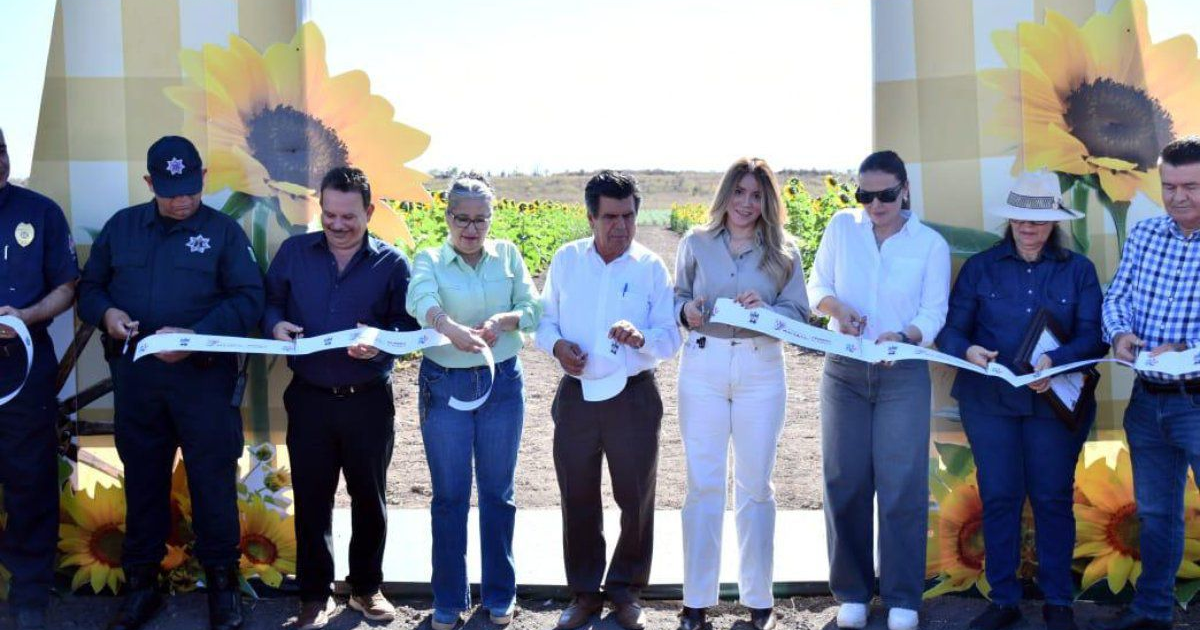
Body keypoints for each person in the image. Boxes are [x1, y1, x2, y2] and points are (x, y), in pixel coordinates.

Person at [78, 136, 264, 630]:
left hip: (203, 382)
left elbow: (249, 300)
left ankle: (223, 589)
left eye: (189, 189)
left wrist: (197, 337)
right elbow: (90, 289)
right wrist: (108, 313)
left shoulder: (224, 234)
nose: (181, 200)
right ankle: (143, 588)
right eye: (169, 191)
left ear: (203, 178)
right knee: (142, 481)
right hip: (139, 382)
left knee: (212, 483)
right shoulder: (122, 228)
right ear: (148, 184)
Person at [936, 170, 1106, 630]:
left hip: (1053, 403)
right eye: (1019, 219)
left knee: (1052, 498)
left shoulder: (1078, 270)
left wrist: (1058, 361)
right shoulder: (981, 268)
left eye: (1037, 220)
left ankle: (1058, 602)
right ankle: (1004, 599)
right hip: (988, 400)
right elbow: (952, 331)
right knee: (1000, 497)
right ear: (1009, 220)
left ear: (1054, 222)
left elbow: (1095, 336)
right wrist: (968, 350)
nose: (1027, 228)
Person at [263, 166, 416, 629]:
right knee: (312, 498)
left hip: (368, 399)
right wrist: (275, 324)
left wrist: (381, 340)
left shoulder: (392, 264)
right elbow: (268, 301)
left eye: (348, 216)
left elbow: (407, 328)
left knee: (369, 497)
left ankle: (366, 589)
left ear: (369, 212)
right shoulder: (294, 253)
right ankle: (315, 595)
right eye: (329, 214)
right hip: (309, 398)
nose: (337, 224)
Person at [806, 150, 950, 630]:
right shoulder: (841, 229)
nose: (874, 204)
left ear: (904, 189)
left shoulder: (929, 244)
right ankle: (851, 591)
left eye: (885, 195)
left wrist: (905, 335)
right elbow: (816, 285)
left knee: (901, 483)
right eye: (864, 194)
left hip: (903, 371)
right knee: (844, 479)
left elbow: (934, 313)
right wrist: (838, 309)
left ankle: (903, 595)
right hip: (843, 369)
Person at [536, 170, 682, 630]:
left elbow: (670, 335)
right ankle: (583, 594)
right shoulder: (566, 261)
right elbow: (545, 324)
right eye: (610, 217)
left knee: (635, 496)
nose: (621, 226)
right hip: (577, 396)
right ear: (590, 217)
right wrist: (559, 348)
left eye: (629, 216)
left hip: (634, 397)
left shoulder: (651, 267)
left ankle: (626, 591)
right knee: (577, 494)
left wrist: (641, 339)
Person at [673, 157, 809, 630]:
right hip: (704, 364)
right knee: (703, 483)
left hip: (760, 368)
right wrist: (686, 308)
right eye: (739, 193)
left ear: (767, 201)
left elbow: (800, 316)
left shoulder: (785, 252)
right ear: (725, 195)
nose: (746, 204)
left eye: (756, 195)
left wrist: (769, 310)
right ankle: (696, 600)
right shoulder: (695, 243)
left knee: (755, 485)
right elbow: (677, 297)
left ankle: (758, 600)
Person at [405, 173, 540, 630]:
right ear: (447, 217)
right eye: (462, 218)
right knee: (449, 496)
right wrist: (448, 326)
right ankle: (448, 599)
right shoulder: (429, 258)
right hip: (444, 385)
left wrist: (507, 319)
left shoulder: (508, 256)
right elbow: (418, 297)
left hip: (502, 384)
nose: (471, 228)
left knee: (498, 493)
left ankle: (500, 594)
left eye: (480, 219)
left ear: (491, 219)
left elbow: (534, 307)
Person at [1095, 136, 1200, 630]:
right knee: (1157, 515)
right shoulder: (1145, 235)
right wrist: (1118, 333)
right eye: (1171, 186)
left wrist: (1189, 352)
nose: (1179, 196)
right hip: (1148, 402)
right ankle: (1153, 612)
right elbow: (1117, 297)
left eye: (1192, 186)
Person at [0, 127, 79, 630]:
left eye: (1, 151)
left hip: (24, 364)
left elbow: (67, 286)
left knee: (29, 478)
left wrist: (24, 316)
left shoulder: (41, 212)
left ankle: (30, 590)